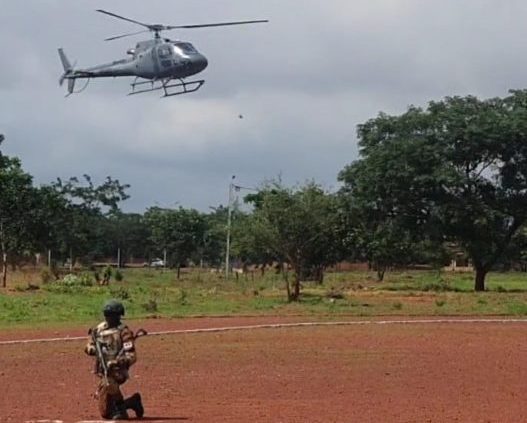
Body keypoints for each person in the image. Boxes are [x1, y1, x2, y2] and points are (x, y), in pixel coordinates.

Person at [85, 299, 144, 420]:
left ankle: (120, 410)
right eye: (107, 315)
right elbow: (88, 346)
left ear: (118, 316)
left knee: (109, 383)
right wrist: (93, 350)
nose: (109, 318)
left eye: (111, 316)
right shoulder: (99, 330)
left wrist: (117, 362)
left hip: (118, 371)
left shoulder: (124, 332)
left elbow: (132, 356)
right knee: (105, 412)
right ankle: (132, 402)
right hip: (103, 370)